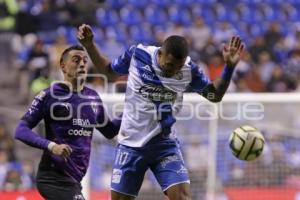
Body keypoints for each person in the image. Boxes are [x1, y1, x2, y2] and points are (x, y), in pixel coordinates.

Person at [77, 24, 244, 200]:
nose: (174, 71)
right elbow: (109, 73)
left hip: (164, 144)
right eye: (170, 65)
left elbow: (214, 95)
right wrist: (89, 45)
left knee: (182, 196)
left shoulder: (189, 70)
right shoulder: (138, 55)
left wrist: (229, 67)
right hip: (131, 144)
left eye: (178, 67)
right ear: (160, 53)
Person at [15, 45, 121, 200]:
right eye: (76, 60)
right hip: (53, 177)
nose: (82, 64)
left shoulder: (93, 97)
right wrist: (51, 146)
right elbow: (20, 130)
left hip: (74, 180)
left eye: (85, 61)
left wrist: (129, 111)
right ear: (63, 66)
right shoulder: (49, 95)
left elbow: (109, 130)